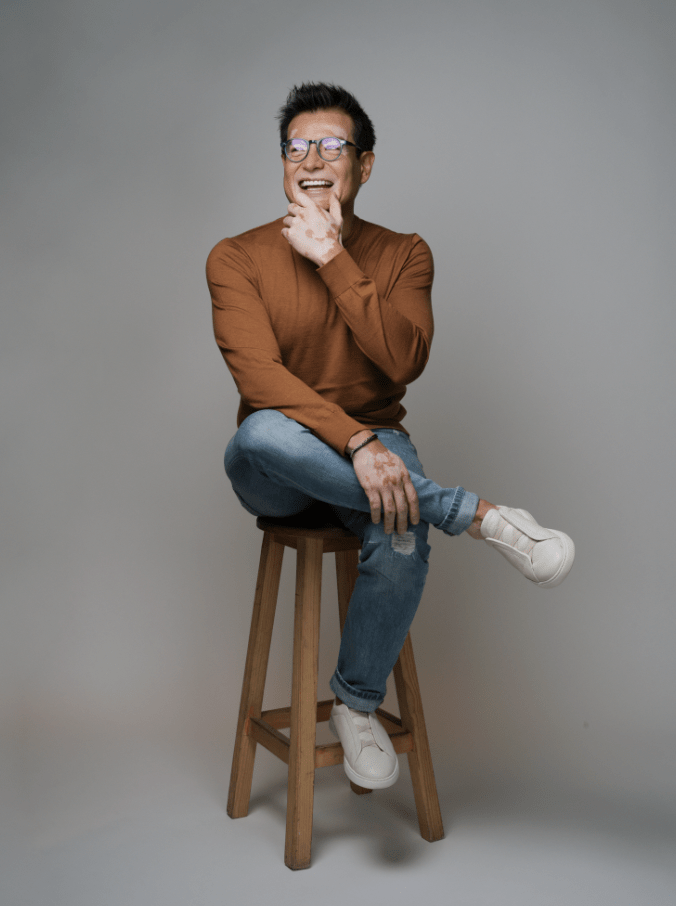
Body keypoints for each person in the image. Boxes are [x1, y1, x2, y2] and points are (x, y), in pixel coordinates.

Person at [207, 82, 574, 791]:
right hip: (285, 462)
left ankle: (355, 703)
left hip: (379, 441)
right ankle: (476, 514)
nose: (312, 159)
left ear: (364, 165)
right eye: (296, 146)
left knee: (401, 528)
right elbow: (259, 378)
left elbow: (403, 360)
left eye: (332, 145)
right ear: (282, 162)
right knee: (256, 435)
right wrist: (355, 445)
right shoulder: (236, 257)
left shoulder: (405, 253)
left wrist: (333, 259)